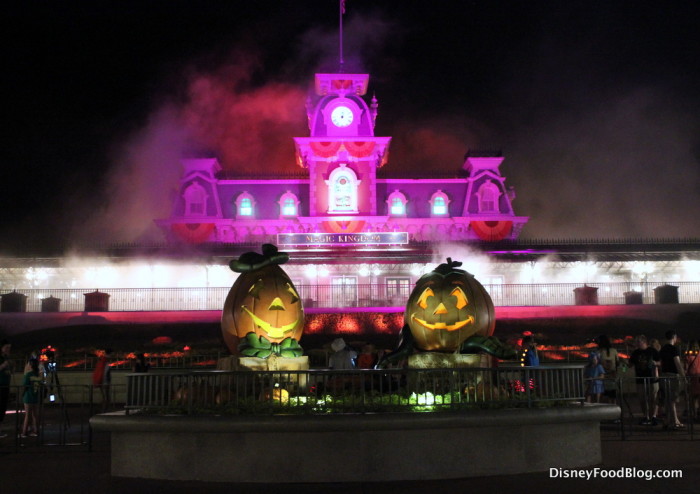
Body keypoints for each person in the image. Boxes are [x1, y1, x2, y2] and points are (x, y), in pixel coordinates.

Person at [629, 335, 660, 425]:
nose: (636, 344)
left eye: (638, 342)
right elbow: (630, 365)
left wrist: (655, 363)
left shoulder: (652, 351)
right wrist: (623, 365)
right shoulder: (635, 353)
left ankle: (653, 416)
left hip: (652, 378)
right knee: (642, 399)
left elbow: (660, 362)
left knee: (653, 398)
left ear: (643, 342)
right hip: (640, 379)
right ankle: (646, 416)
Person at [658, 330, 685, 429]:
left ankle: (669, 420)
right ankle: (674, 421)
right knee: (673, 399)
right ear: (674, 337)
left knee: (667, 399)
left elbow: (660, 363)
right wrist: (683, 376)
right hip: (673, 375)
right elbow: (677, 363)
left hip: (664, 375)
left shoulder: (663, 349)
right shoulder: (674, 349)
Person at [21, 358, 42, 437]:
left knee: (27, 415)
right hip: (35, 396)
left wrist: (22, 394)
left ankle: (24, 432)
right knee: (35, 415)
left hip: (28, 396)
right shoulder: (38, 374)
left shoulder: (28, 375)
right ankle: (36, 431)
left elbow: (25, 386)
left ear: (30, 365)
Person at [596, 335, 620, 403]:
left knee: (604, 394)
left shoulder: (599, 351)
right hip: (612, 375)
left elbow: (597, 362)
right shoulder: (614, 351)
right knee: (612, 394)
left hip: (603, 375)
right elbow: (617, 362)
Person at [685, 340, 700, 421]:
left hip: (692, 377)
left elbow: (686, 367)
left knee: (693, 398)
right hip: (699, 376)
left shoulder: (688, 355)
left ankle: (694, 415)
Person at [0, 340, 12, 439]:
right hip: (1, 386)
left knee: (3, 408)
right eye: (6, 348)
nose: (8, 350)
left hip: (5, 385)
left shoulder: (7, 358)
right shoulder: (1, 359)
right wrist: (4, 365)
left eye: (9, 348)